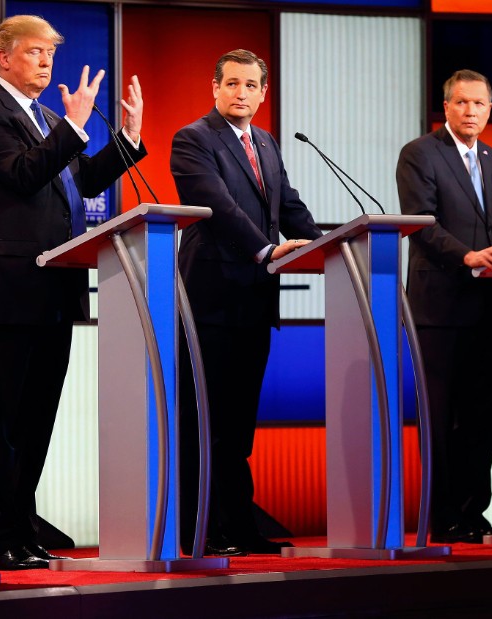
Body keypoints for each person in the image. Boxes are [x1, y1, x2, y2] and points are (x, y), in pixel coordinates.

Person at [0, 14, 146, 571]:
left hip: (54, 285)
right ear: (2, 57)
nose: (46, 62)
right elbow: (23, 175)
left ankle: (22, 527)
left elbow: (78, 179)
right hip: (7, 286)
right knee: (4, 420)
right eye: (35, 52)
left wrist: (126, 139)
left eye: (50, 54)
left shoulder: (40, 117)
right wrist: (74, 125)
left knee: (38, 419)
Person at [170, 49, 322, 556]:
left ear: (262, 92)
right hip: (210, 299)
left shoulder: (267, 141)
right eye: (231, 83)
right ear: (215, 88)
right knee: (203, 422)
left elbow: (289, 204)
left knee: (238, 426)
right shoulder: (193, 139)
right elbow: (218, 206)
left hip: (254, 300)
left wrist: (333, 242)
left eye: (250, 85)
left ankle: (238, 527)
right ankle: (200, 530)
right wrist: (267, 248)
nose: (241, 93)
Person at [395, 69, 492, 544]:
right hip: (439, 310)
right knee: (442, 418)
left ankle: (475, 513)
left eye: (480, 104)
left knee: (481, 416)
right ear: (446, 107)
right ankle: (443, 516)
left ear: (490, 111)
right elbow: (420, 224)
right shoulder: (420, 154)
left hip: (486, 309)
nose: (471, 111)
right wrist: (467, 256)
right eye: (463, 103)